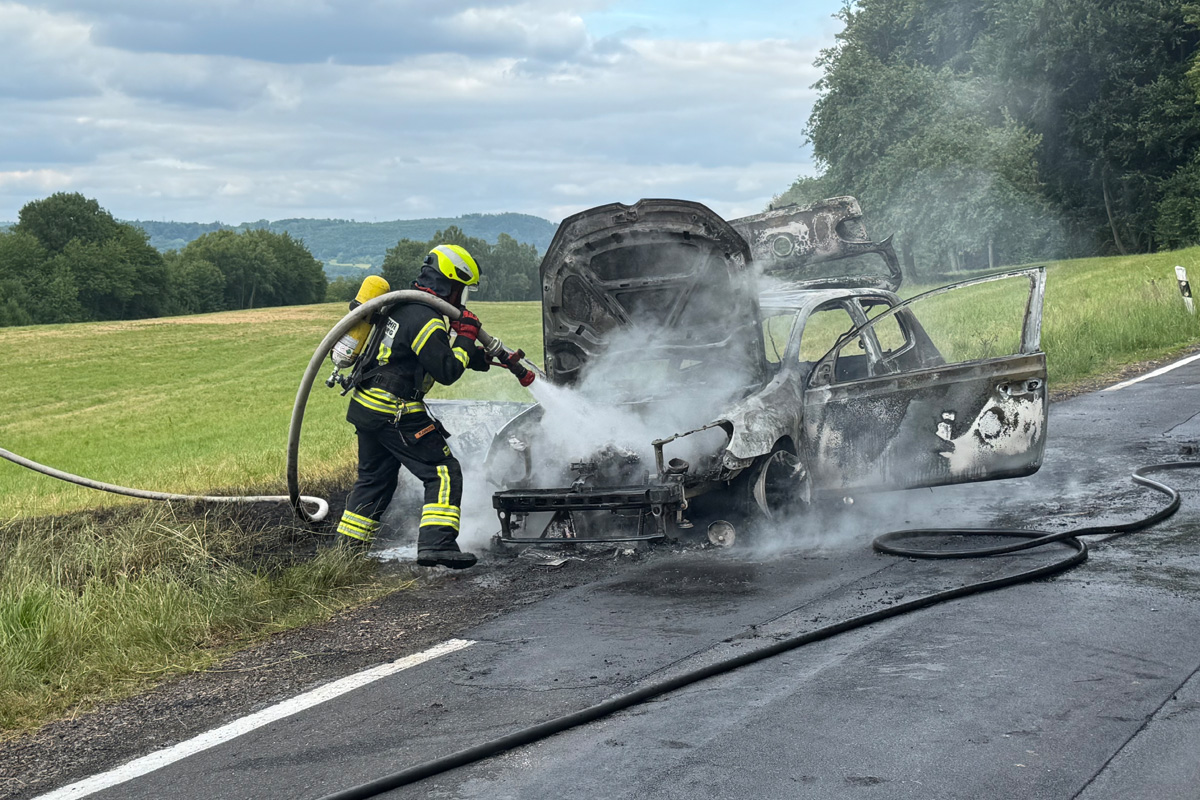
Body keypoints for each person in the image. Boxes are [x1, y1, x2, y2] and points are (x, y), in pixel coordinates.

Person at [334, 244, 490, 568]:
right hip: (396, 411)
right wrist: (466, 337)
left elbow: (424, 352)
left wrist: (479, 355)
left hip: (368, 406)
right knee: (444, 472)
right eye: (462, 289)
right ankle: (438, 544)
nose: (463, 297)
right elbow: (446, 370)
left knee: (374, 481)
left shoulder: (403, 306)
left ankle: (344, 556)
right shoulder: (428, 319)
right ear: (450, 283)